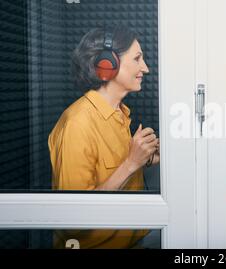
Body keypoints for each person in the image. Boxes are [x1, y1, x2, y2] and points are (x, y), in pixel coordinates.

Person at [48, 26, 159, 248]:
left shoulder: (119, 114)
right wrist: (131, 163)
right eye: (137, 58)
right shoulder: (77, 125)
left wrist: (146, 158)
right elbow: (73, 220)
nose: (145, 68)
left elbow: (113, 170)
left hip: (133, 240)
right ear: (108, 63)